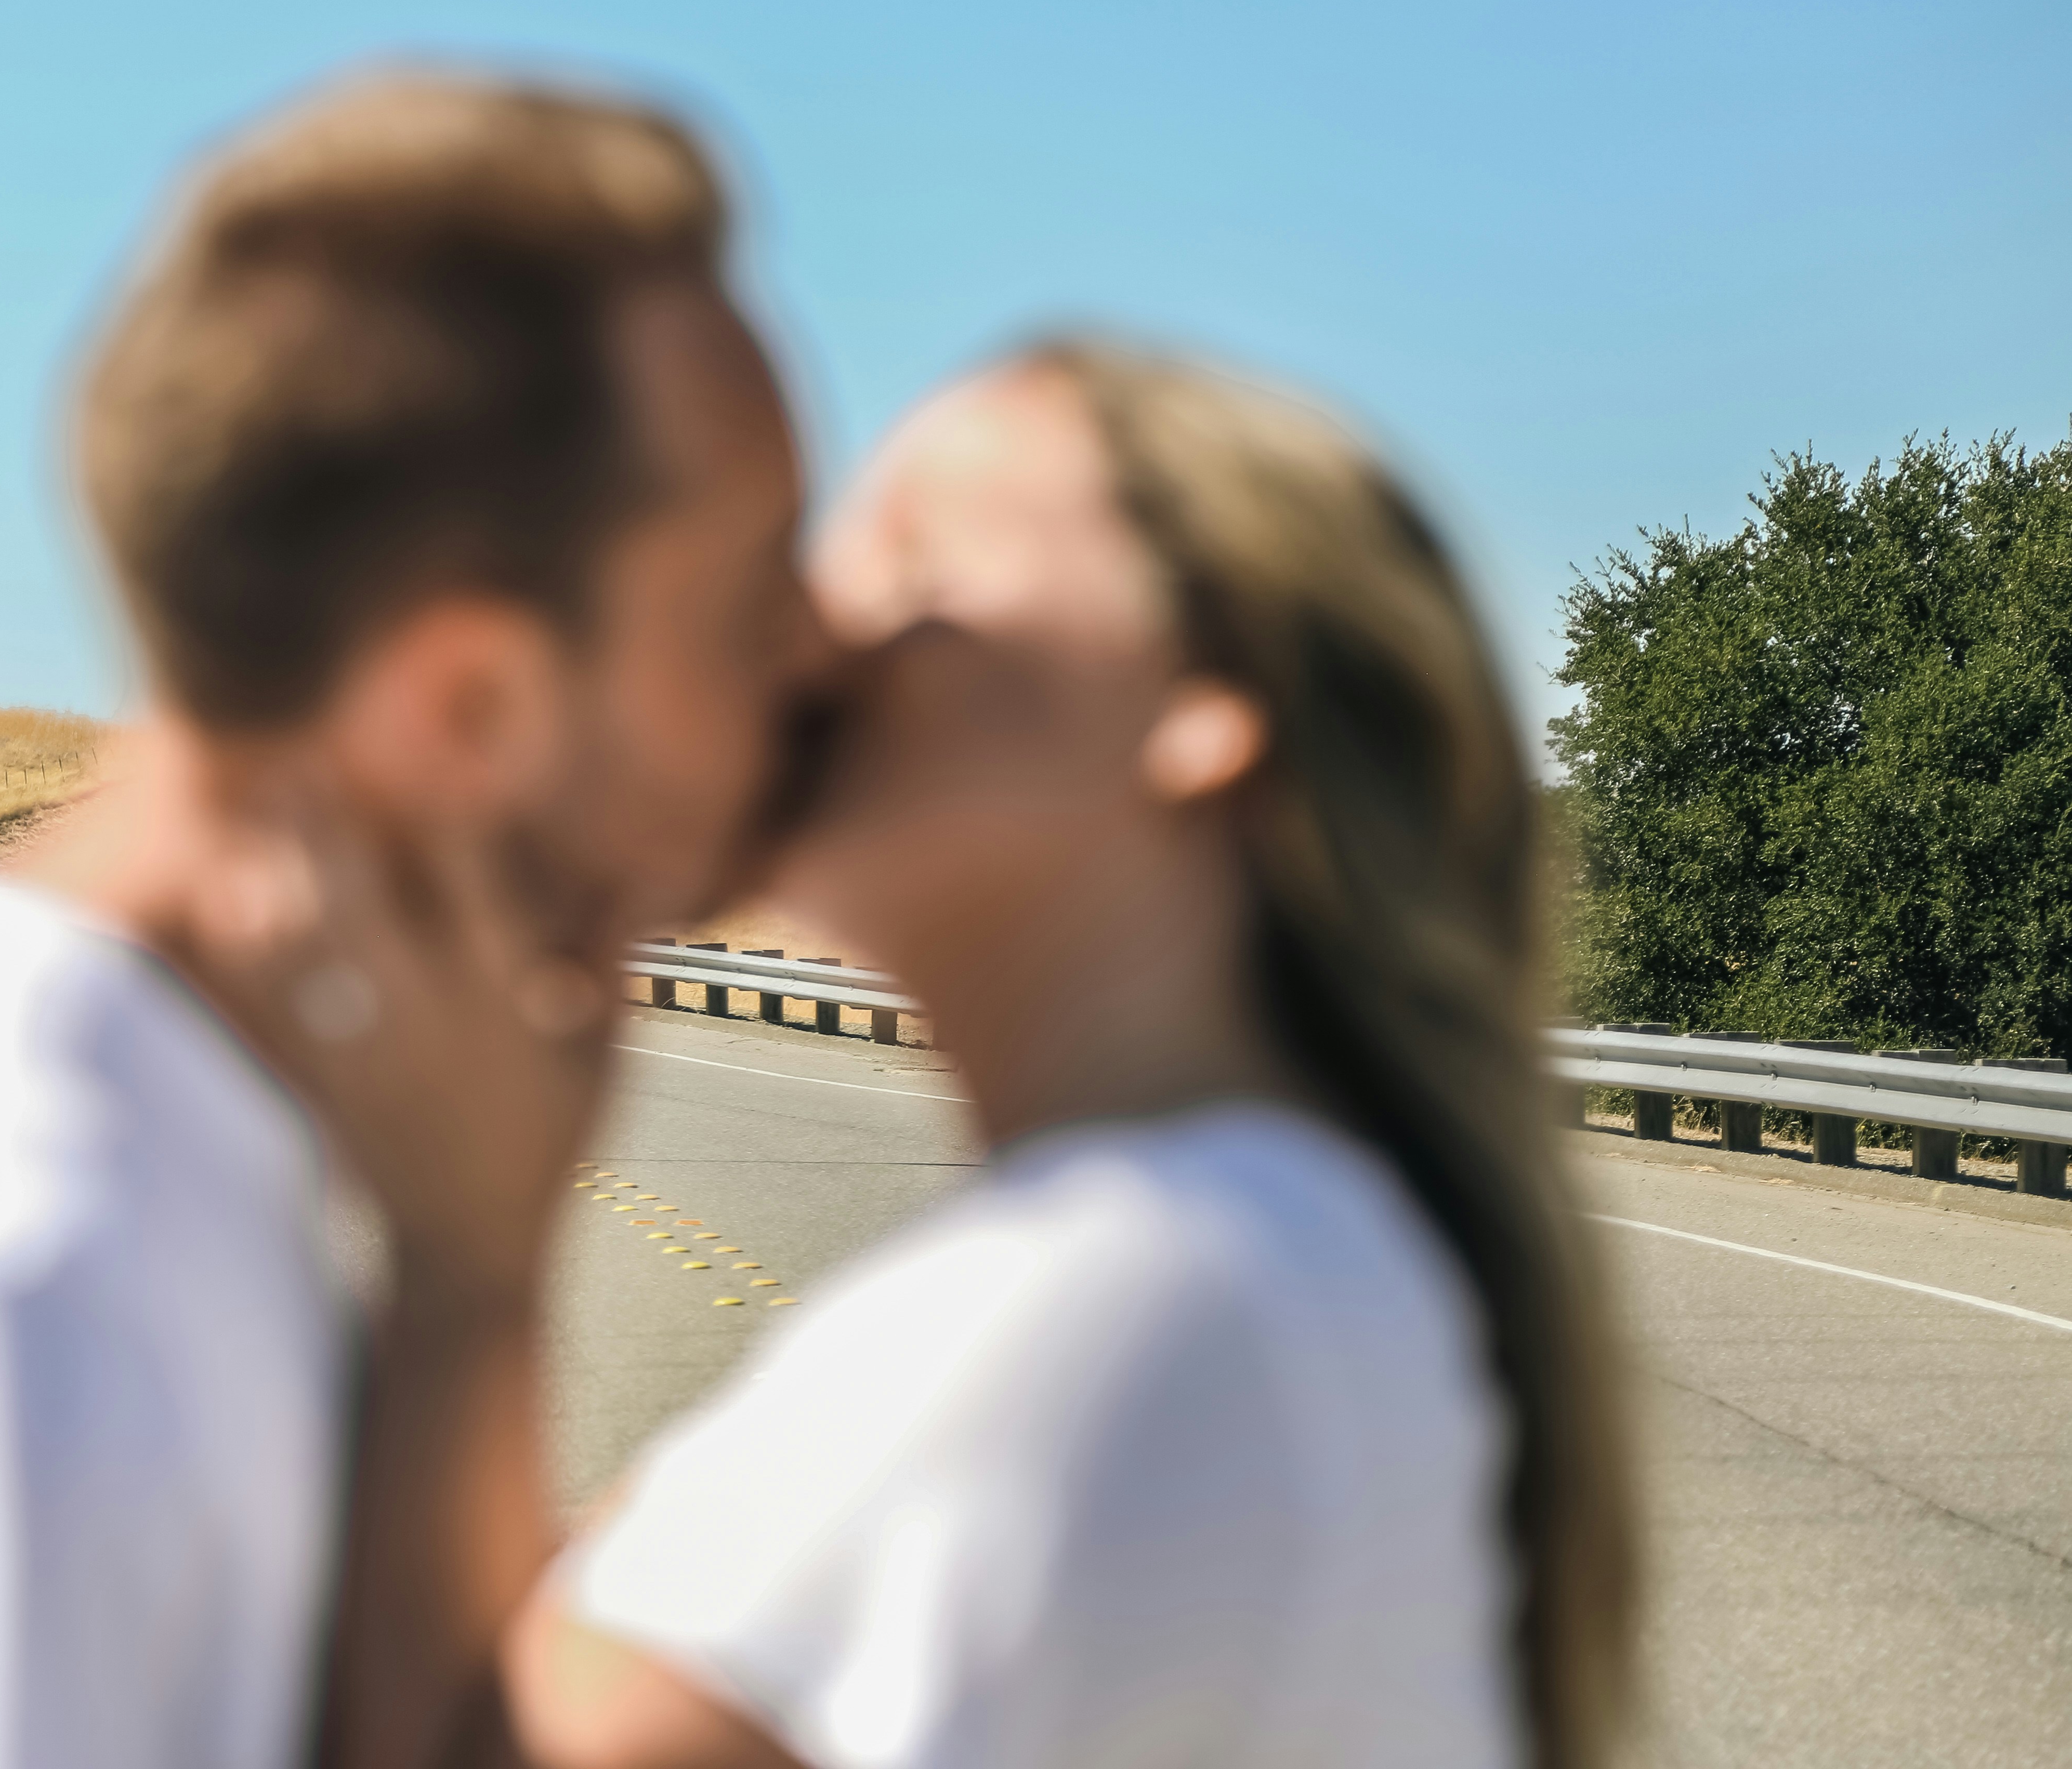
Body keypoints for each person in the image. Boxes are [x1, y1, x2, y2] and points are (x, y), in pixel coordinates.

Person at [0, 71, 825, 1769]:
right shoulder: (7, 1304)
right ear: (467, 705)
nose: (824, 658)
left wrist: (475, 1281)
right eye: (756, 595)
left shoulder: (158, 1134)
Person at [333, 341, 1638, 1769]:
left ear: (1207, 699)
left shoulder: (1141, 1282)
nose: (809, 636)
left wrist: (465, 1253)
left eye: (907, 562)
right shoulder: (1266, 1251)